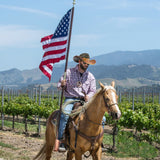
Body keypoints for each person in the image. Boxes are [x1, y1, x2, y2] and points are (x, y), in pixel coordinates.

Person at [57, 53, 96, 152]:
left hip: (84, 101)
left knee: (101, 118)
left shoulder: (90, 76)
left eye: (88, 63)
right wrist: (62, 84)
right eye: (85, 63)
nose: (86, 65)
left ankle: (97, 141)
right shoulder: (69, 72)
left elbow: (93, 90)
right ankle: (61, 139)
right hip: (70, 99)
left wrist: (89, 96)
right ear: (79, 62)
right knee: (64, 114)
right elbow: (59, 86)